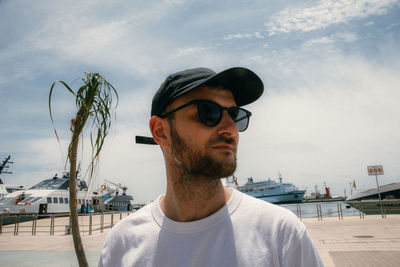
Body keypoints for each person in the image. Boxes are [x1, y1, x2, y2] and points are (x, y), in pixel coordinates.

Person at [99, 67, 324, 267]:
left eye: (235, 115)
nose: (230, 128)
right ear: (161, 132)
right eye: (208, 112)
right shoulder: (122, 243)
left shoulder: (280, 234)